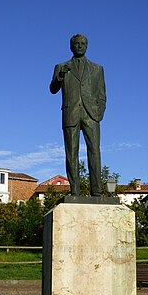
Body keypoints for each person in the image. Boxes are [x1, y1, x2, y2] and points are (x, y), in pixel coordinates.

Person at [50, 34, 106, 196]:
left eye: (83, 43)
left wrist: (99, 112)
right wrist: (60, 76)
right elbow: (53, 89)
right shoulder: (61, 67)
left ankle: (96, 190)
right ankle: (75, 190)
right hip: (70, 113)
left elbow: (102, 94)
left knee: (94, 151)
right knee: (71, 153)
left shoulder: (97, 69)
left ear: (87, 46)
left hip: (91, 115)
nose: (80, 46)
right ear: (71, 46)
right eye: (76, 43)